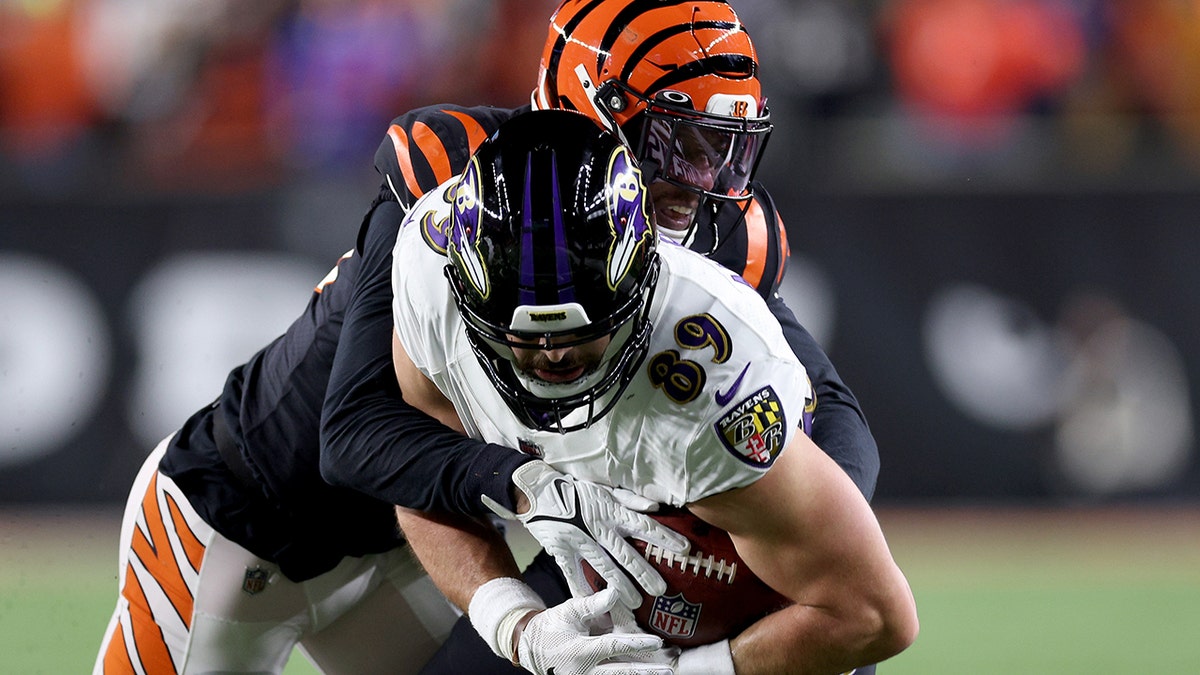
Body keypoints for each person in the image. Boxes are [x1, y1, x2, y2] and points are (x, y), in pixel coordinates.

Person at [386, 108, 918, 675]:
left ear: (642, 280)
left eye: (581, 332)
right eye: (522, 336)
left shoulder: (715, 378)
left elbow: (872, 615)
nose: (554, 356)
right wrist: (516, 623)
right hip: (590, 556)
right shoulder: (427, 272)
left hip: (748, 600)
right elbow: (419, 461)